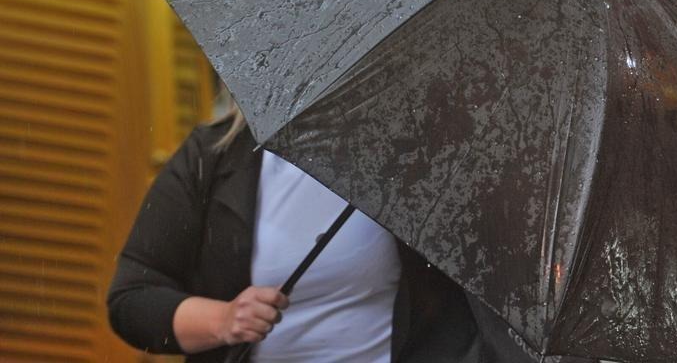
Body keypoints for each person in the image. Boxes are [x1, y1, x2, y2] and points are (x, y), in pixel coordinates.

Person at [108, 106, 592, 362]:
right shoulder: (212, 157)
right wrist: (225, 320)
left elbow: (493, 299)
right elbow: (132, 299)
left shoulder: (422, 165)